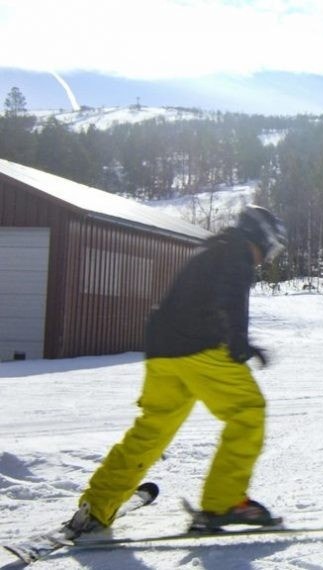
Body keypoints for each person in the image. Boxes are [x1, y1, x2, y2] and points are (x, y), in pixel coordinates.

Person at [62, 205, 288, 537]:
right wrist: (239, 341)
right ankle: (223, 503)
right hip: (199, 346)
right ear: (262, 237)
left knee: (153, 427)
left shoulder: (213, 250)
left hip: (162, 350)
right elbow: (230, 297)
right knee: (248, 411)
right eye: (272, 247)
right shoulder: (236, 253)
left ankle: (96, 506)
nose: (267, 257)